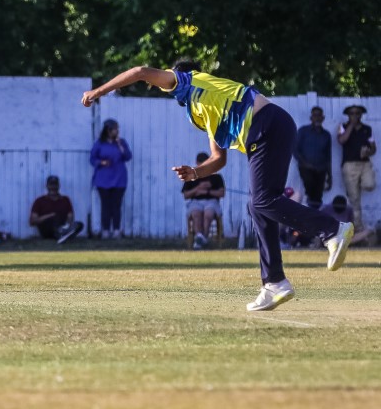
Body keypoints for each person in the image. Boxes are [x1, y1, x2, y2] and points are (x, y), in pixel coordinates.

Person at [81, 59, 354, 311]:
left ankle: (332, 230)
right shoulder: (202, 107)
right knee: (258, 206)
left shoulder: (187, 80)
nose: (159, 84)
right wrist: (196, 173)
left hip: (266, 125)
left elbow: (140, 72)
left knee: (261, 201)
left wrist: (98, 92)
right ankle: (275, 282)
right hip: (272, 127)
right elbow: (218, 158)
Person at [90, 119, 133, 239]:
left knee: (116, 205)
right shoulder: (99, 144)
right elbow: (92, 159)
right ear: (108, 130)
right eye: (115, 129)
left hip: (119, 179)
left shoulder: (121, 142)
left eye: (117, 129)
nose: (117, 131)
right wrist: (101, 162)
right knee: (106, 206)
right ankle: (105, 230)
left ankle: (116, 230)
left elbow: (128, 156)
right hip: (103, 180)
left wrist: (120, 145)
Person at [338, 104, 376, 233]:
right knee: (354, 199)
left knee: (370, 184)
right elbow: (342, 140)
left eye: (357, 113)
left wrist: (369, 152)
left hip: (364, 164)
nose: (355, 115)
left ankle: (358, 185)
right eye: (352, 113)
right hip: (349, 165)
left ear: (361, 115)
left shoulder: (367, 129)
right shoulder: (343, 127)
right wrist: (351, 126)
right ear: (348, 115)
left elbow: (373, 148)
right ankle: (358, 227)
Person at [182, 152, 225, 249]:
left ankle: (201, 239)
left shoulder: (216, 177)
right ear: (197, 163)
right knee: (196, 214)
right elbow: (186, 195)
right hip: (196, 202)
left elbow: (221, 193)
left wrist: (207, 191)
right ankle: (201, 239)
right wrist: (198, 189)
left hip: (211, 201)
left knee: (208, 214)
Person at [294, 106, 332, 208]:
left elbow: (328, 156)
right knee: (310, 189)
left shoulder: (326, 135)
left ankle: (315, 214)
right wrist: (305, 163)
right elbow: (295, 150)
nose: (317, 118)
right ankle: (309, 211)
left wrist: (330, 176)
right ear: (311, 118)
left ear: (323, 118)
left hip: (321, 169)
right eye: (315, 115)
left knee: (318, 196)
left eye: (319, 116)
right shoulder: (303, 131)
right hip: (305, 168)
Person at [29, 175, 84, 244]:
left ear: (59, 186)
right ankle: (61, 234)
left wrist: (68, 226)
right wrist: (49, 216)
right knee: (54, 218)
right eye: (51, 185)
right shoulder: (40, 200)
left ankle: (64, 233)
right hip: (46, 230)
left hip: (62, 226)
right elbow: (32, 221)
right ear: (47, 186)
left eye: (55, 185)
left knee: (79, 224)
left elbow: (70, 217)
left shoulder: (65, 200)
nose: (53, 187)